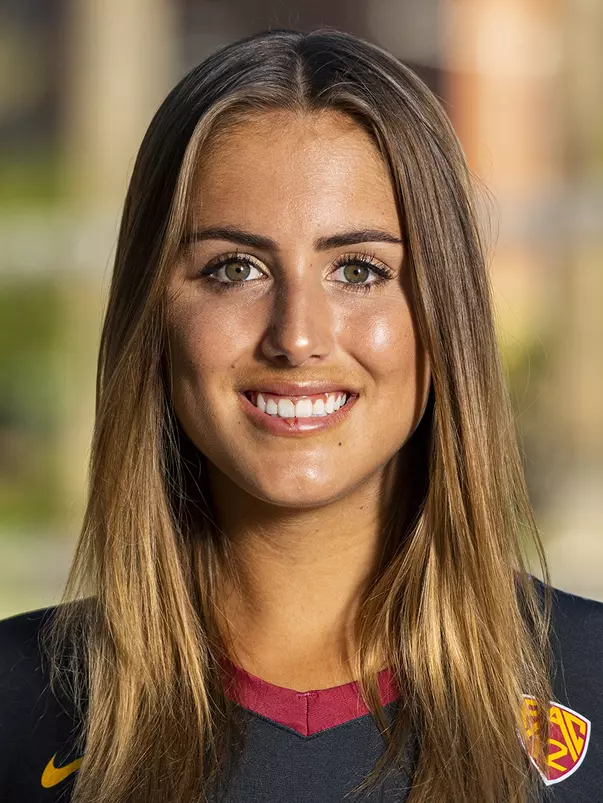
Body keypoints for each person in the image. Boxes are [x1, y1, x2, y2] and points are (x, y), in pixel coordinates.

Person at [0, 27, 601, 803]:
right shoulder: (16, 705)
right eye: (235, 268)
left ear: (443, 314)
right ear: (152, 315)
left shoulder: (590, 678)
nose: (297, 336)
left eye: (358, 269)